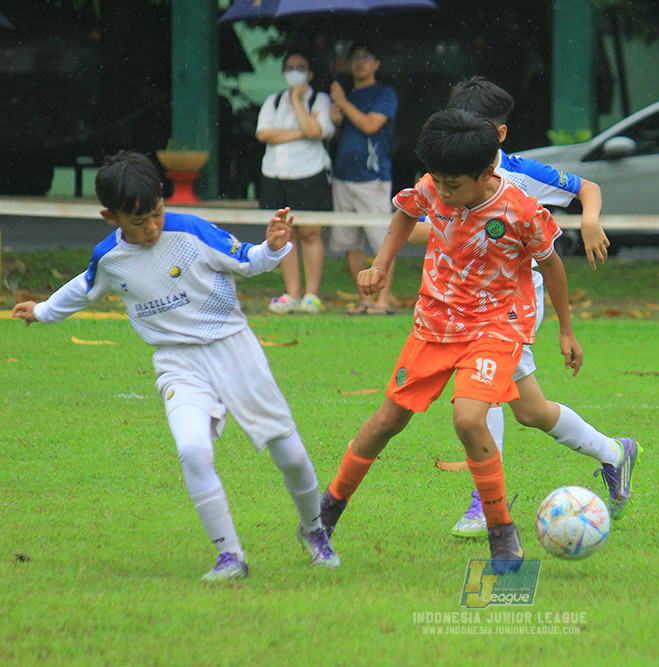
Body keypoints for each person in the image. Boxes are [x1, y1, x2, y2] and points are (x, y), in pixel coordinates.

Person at [12, 151, 338, 580]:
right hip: (176, 362)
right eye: (139, 221)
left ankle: (314, 531)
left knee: (290, 454)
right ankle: (229, 555)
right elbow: (83, 288)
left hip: (233, 348)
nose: (152, 227)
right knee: (193, 450)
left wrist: (271, 247)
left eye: (156, 213)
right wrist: (42, 310)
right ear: (110, 217)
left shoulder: (192, 231)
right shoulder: (109, 258)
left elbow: (247, 259)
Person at [319, 109, 577, 574]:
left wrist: (565, 329)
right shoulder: (432, 186)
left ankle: (502, 535)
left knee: (469, 419)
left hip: (495, 326)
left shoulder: (520, 211)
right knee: (386, 422)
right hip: (434, 324)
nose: (441, 192)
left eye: (452, 185)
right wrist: (380, 264)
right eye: (437, 181)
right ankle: (326, 513)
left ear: (487, 172)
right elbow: (405, 213)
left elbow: (552, 265)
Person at [408, 77, 638, 538]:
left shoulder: (521, 175)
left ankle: (483, 501)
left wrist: (590, 220)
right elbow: (414, 229)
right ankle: (614, 452)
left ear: (499, 134)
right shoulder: (446, 176)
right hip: (462, 304)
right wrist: (454, 217)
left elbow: (587, 188)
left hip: (511, 305)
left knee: (482, 391)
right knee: (530, 410)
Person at [256, 50, 335, 314]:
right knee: (283, 234)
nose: (294, 72)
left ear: (310, 74)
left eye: (301, 67)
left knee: (310, 233)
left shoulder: (319, 100)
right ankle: (292, 293)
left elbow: (316, 131)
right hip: (275, 173)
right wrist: (301, 132)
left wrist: (297, 101)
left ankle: (311, 295)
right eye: (290, 67)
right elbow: (264, 134)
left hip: (310, 173)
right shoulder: (274, 100)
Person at [328, 40, 399, 315]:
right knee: (351, 244)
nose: (360, 62)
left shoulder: (385, 92)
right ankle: (365, 301)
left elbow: (370, 125)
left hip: (372, 179)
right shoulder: (347, 96)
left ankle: (382, 302)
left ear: (376, 64)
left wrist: (343, 103)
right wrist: (336, 119)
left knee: (382, 243)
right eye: (355, 57)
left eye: (366, 57)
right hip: (342, 177)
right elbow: (342, 136)